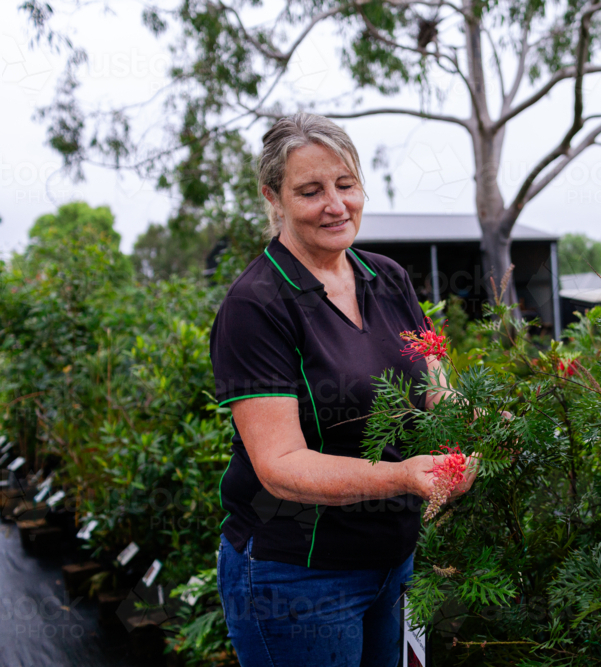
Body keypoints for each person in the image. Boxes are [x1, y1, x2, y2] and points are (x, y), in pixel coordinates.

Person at [210, 112, 476, 667]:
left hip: (394, 558)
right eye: (310, 190)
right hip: (301, 575)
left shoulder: (389, 277)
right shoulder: (256, 305)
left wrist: (485, 431)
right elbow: (279, 463)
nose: (335, 204)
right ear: (273, 198)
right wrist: (403, 477)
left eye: (345, 184)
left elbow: (435, 388)